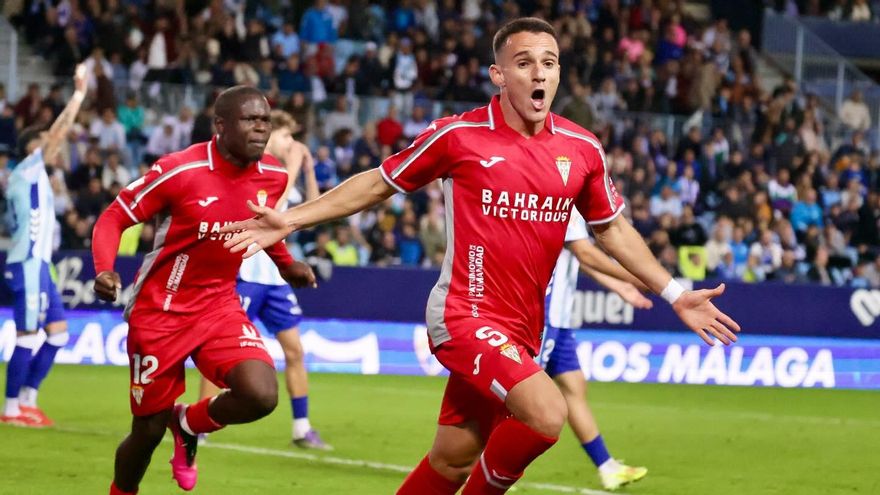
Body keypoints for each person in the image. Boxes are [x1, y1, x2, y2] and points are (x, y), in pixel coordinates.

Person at [221, 18, 740, 494]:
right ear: (498, 75)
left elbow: (613, 229)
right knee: (546, 412)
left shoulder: (582, 149)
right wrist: (292, 219)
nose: (539, 73)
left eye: (549, 62)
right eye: (524, 62)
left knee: (452, 461)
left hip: (524, 328)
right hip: (463, 313)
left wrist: (674, 294)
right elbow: (379, 183)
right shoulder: (459, 136)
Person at [90, 86, 317, 495]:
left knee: (261, 394)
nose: (261, 128)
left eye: (265, 120)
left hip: (219, 304)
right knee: (147, 431)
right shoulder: (179, 170)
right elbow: (114, 217)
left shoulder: (274, 174)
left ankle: (188, 423)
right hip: (160, 311)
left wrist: (286, 264)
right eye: (250, 119)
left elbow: (261, 225)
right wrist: (104, 268)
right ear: (220, 125)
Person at [197, 110, 329, 449]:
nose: (292, 143)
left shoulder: (285, 174)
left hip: (275, 279)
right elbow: (271, 214)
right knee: (218, 351)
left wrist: (308, 169)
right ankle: (199, 424)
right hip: (246, 275)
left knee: (295, 350)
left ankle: (301, 428)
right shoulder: (258, 171)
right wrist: (295, 166)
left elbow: (313, 212)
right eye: (286, 136)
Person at [539, 209, 652, 490]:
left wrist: (619, 286)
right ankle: (475, 463)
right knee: (519, 399)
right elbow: (585, 253)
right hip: (543, 315)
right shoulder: (564, 199)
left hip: (560, 319)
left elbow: (578, 256)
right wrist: (635, 276)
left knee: (575, 387)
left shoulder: (573, 205)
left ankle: (607, 467)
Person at [1, 66, 87, 427]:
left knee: (58, 334)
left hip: (40, 265)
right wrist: (78, 93)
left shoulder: (35, 177)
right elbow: (58, 132)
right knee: (27, 336)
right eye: (47, 142)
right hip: (27, 263)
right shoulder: (27, 170)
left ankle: (28, 399)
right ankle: (10, 410)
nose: (56, 146)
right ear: (33, 148)